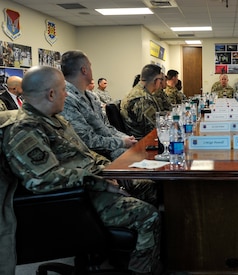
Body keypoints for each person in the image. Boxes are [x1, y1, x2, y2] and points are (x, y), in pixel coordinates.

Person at [1, 65, 162, 275]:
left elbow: (83, 154)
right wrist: (100, 181)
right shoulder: (25, 129)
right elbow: (42, 180)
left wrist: (111, 172)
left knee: (153, 188)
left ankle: (126, 255)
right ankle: (140, 270)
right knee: (150, 216)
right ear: (51, 94)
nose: (67, 94)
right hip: (71, 203)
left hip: (90, 185)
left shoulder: (52, 118)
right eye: (63, 90)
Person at [60, 50, 137, 160]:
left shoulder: (91, 96)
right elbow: (86, 140)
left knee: (140, 152)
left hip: (110, 147)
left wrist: (126, 138)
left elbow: (106, 127)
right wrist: (121, 142)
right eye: (90, 66)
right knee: (135, 159)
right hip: (92, 157)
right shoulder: (67, 98)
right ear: (84, 70)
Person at [121, 64, 163, 140]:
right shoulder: (143, 99)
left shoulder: (135, 91)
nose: (161, 83)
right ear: (156, 81)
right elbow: (153, 129)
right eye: (161, 80)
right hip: (143, 143)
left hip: (138, 139)